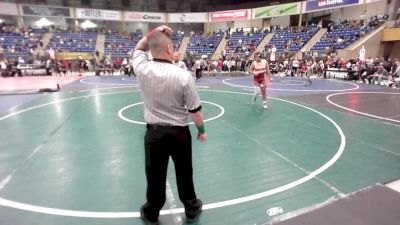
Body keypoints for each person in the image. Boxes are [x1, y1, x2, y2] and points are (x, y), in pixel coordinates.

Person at [132, 25, 205, 225]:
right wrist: (202, 131)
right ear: (170, 50)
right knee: (184, 173)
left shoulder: (142, 68)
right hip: (179, 135)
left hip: (154, 135)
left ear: (151, 49)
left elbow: (139, 48)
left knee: (155, 176)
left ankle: (152, 212)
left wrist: (153, 32)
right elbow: (195, 111)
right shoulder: (183, 76)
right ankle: (191, 207)